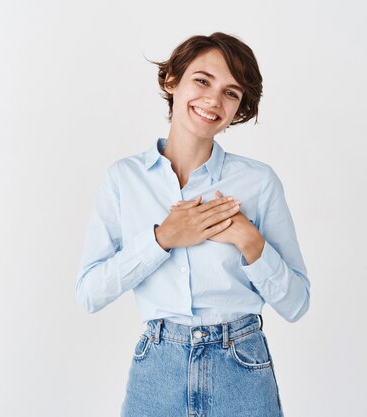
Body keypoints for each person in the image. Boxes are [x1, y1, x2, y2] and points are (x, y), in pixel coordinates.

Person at [75, 32, 310, 417]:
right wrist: (162, 239)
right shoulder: (123, 179)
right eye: (202, 80)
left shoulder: (259, 182)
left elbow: (297, 303)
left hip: (241, 366)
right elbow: (90, 293)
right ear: (173, 81)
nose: (214, 100)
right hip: (157, 368)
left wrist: (251, 242)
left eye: (231, 93)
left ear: (239, 108)